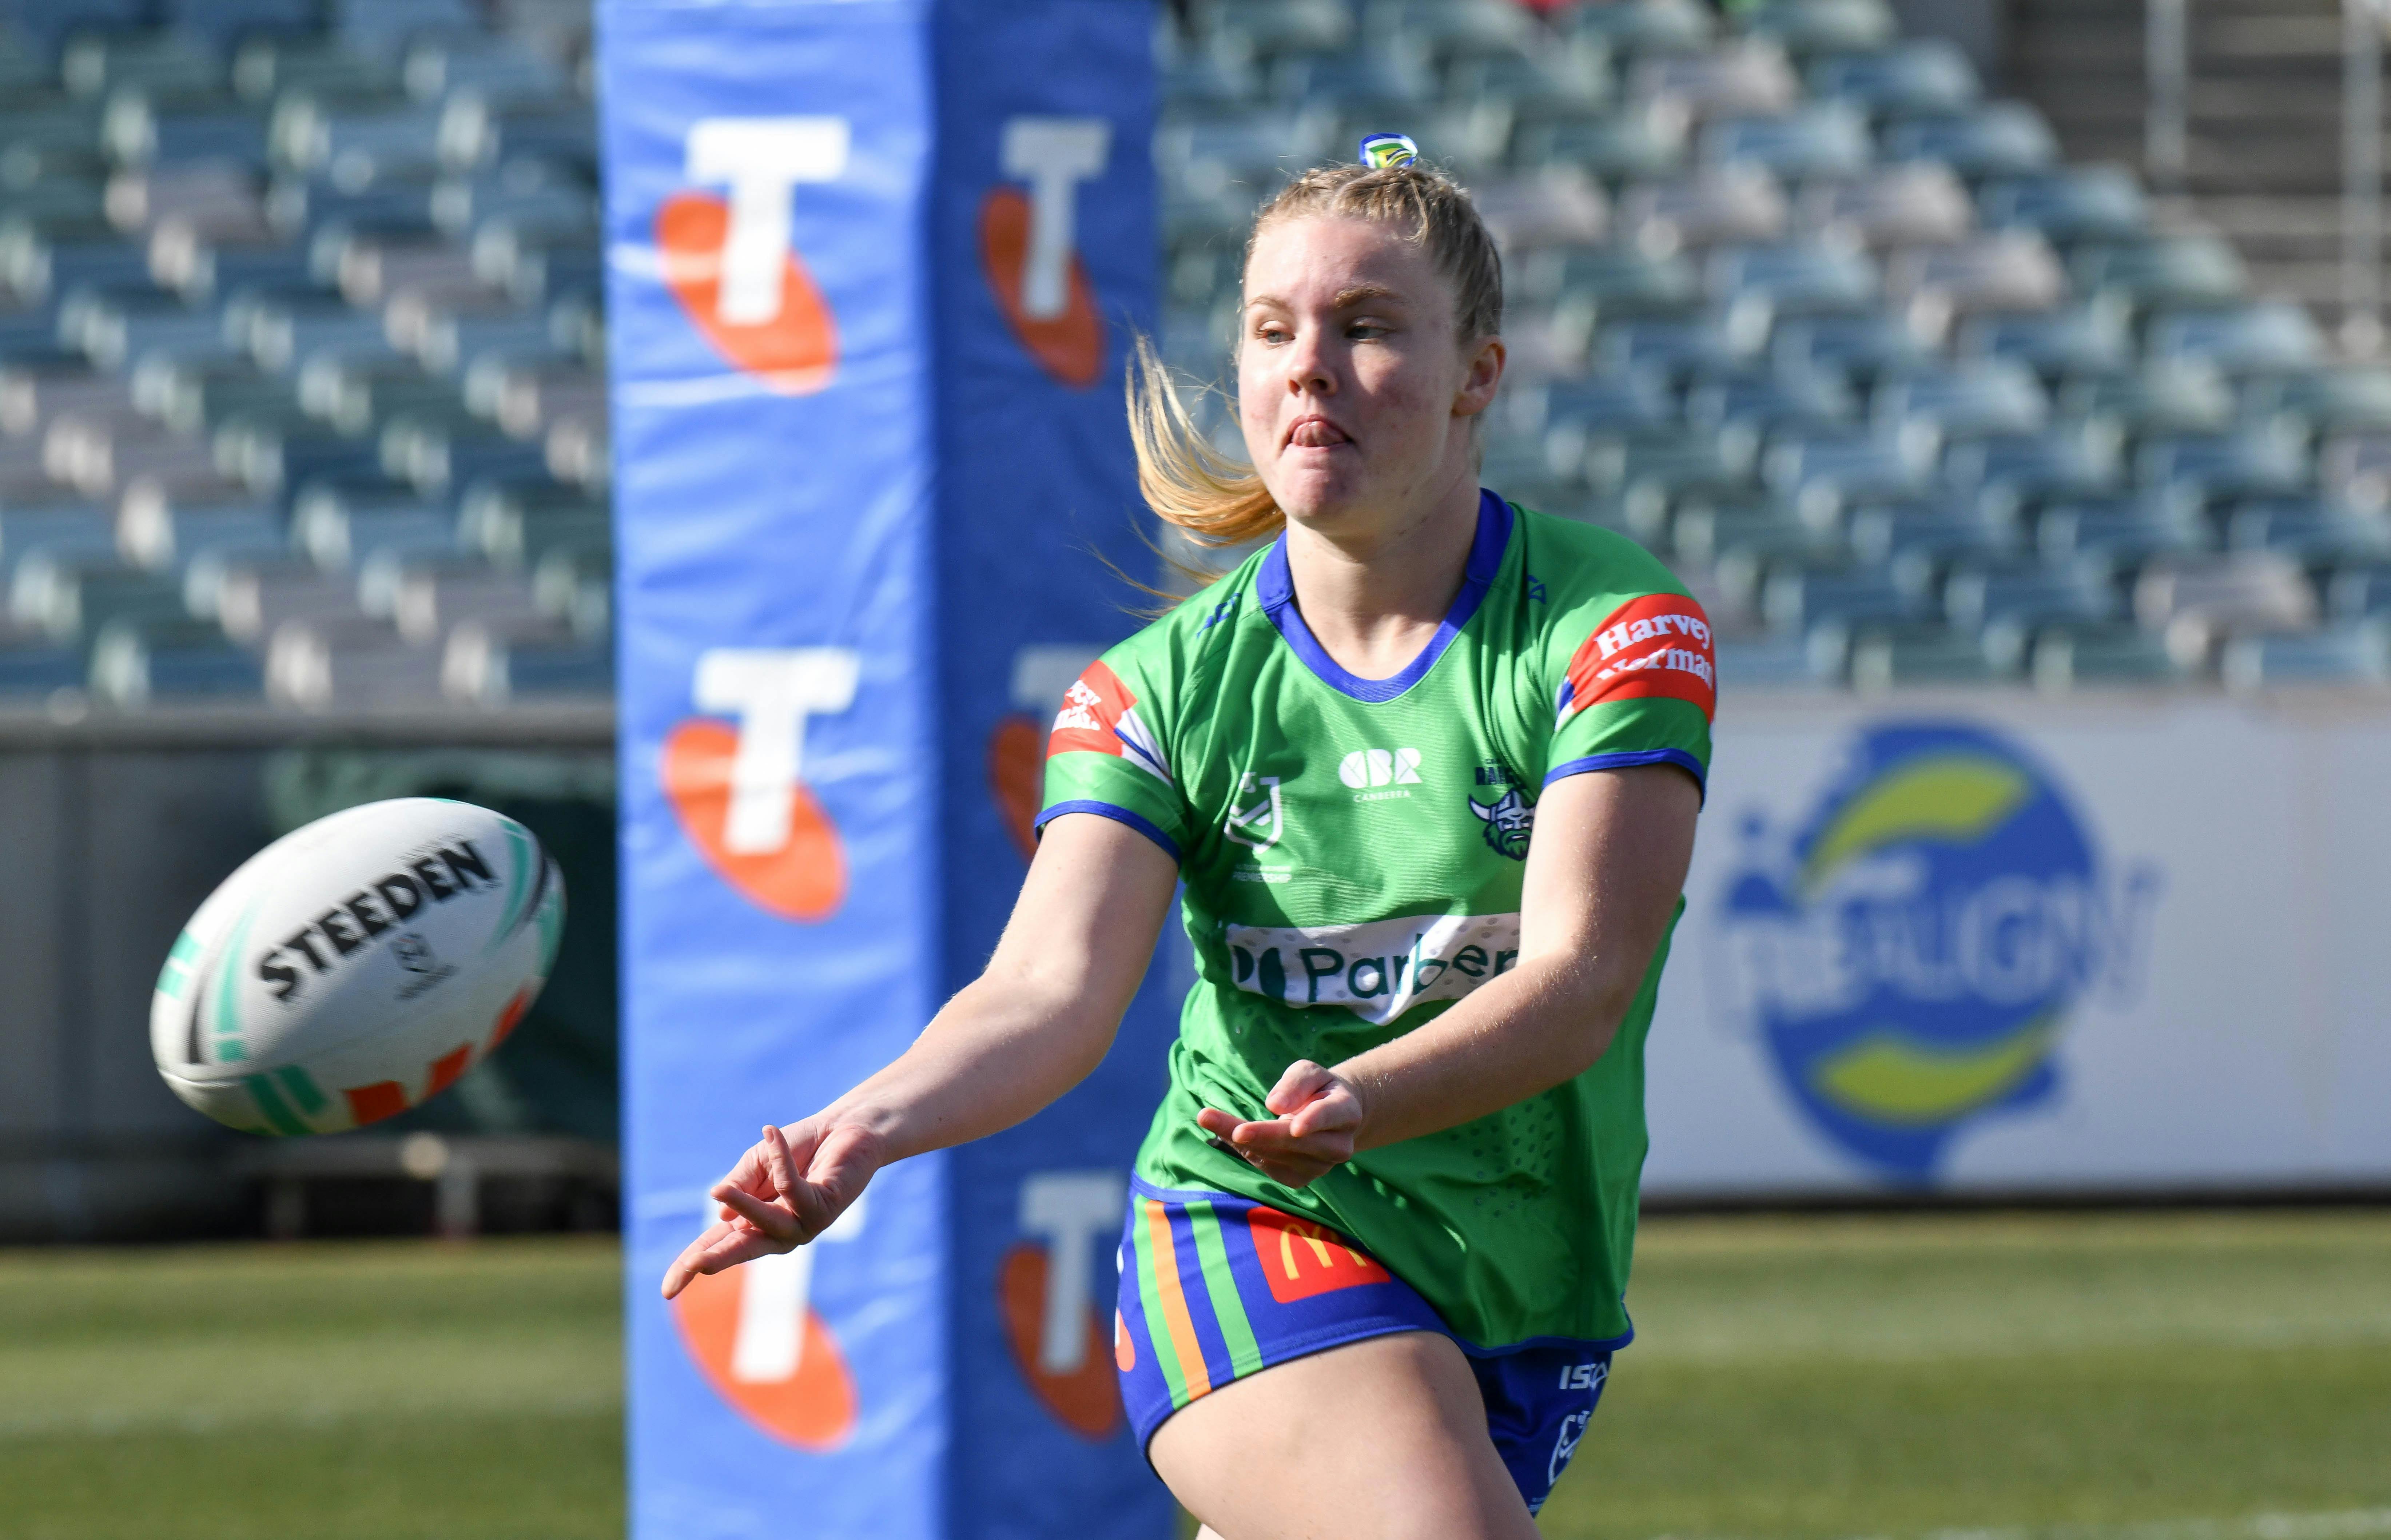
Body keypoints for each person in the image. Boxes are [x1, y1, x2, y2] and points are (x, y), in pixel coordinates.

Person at [662, 146, 1716, 1539]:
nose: (1310, 368)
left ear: (1479, 374)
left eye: (1369, 328)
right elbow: (1045, 993)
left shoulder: (1611, 628)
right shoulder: (1154, 690)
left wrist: (1366, 1098)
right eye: (1274, 331)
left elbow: (1582, 977)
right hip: (1252, 1233)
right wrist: (857, 1132)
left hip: (1528, 1281)